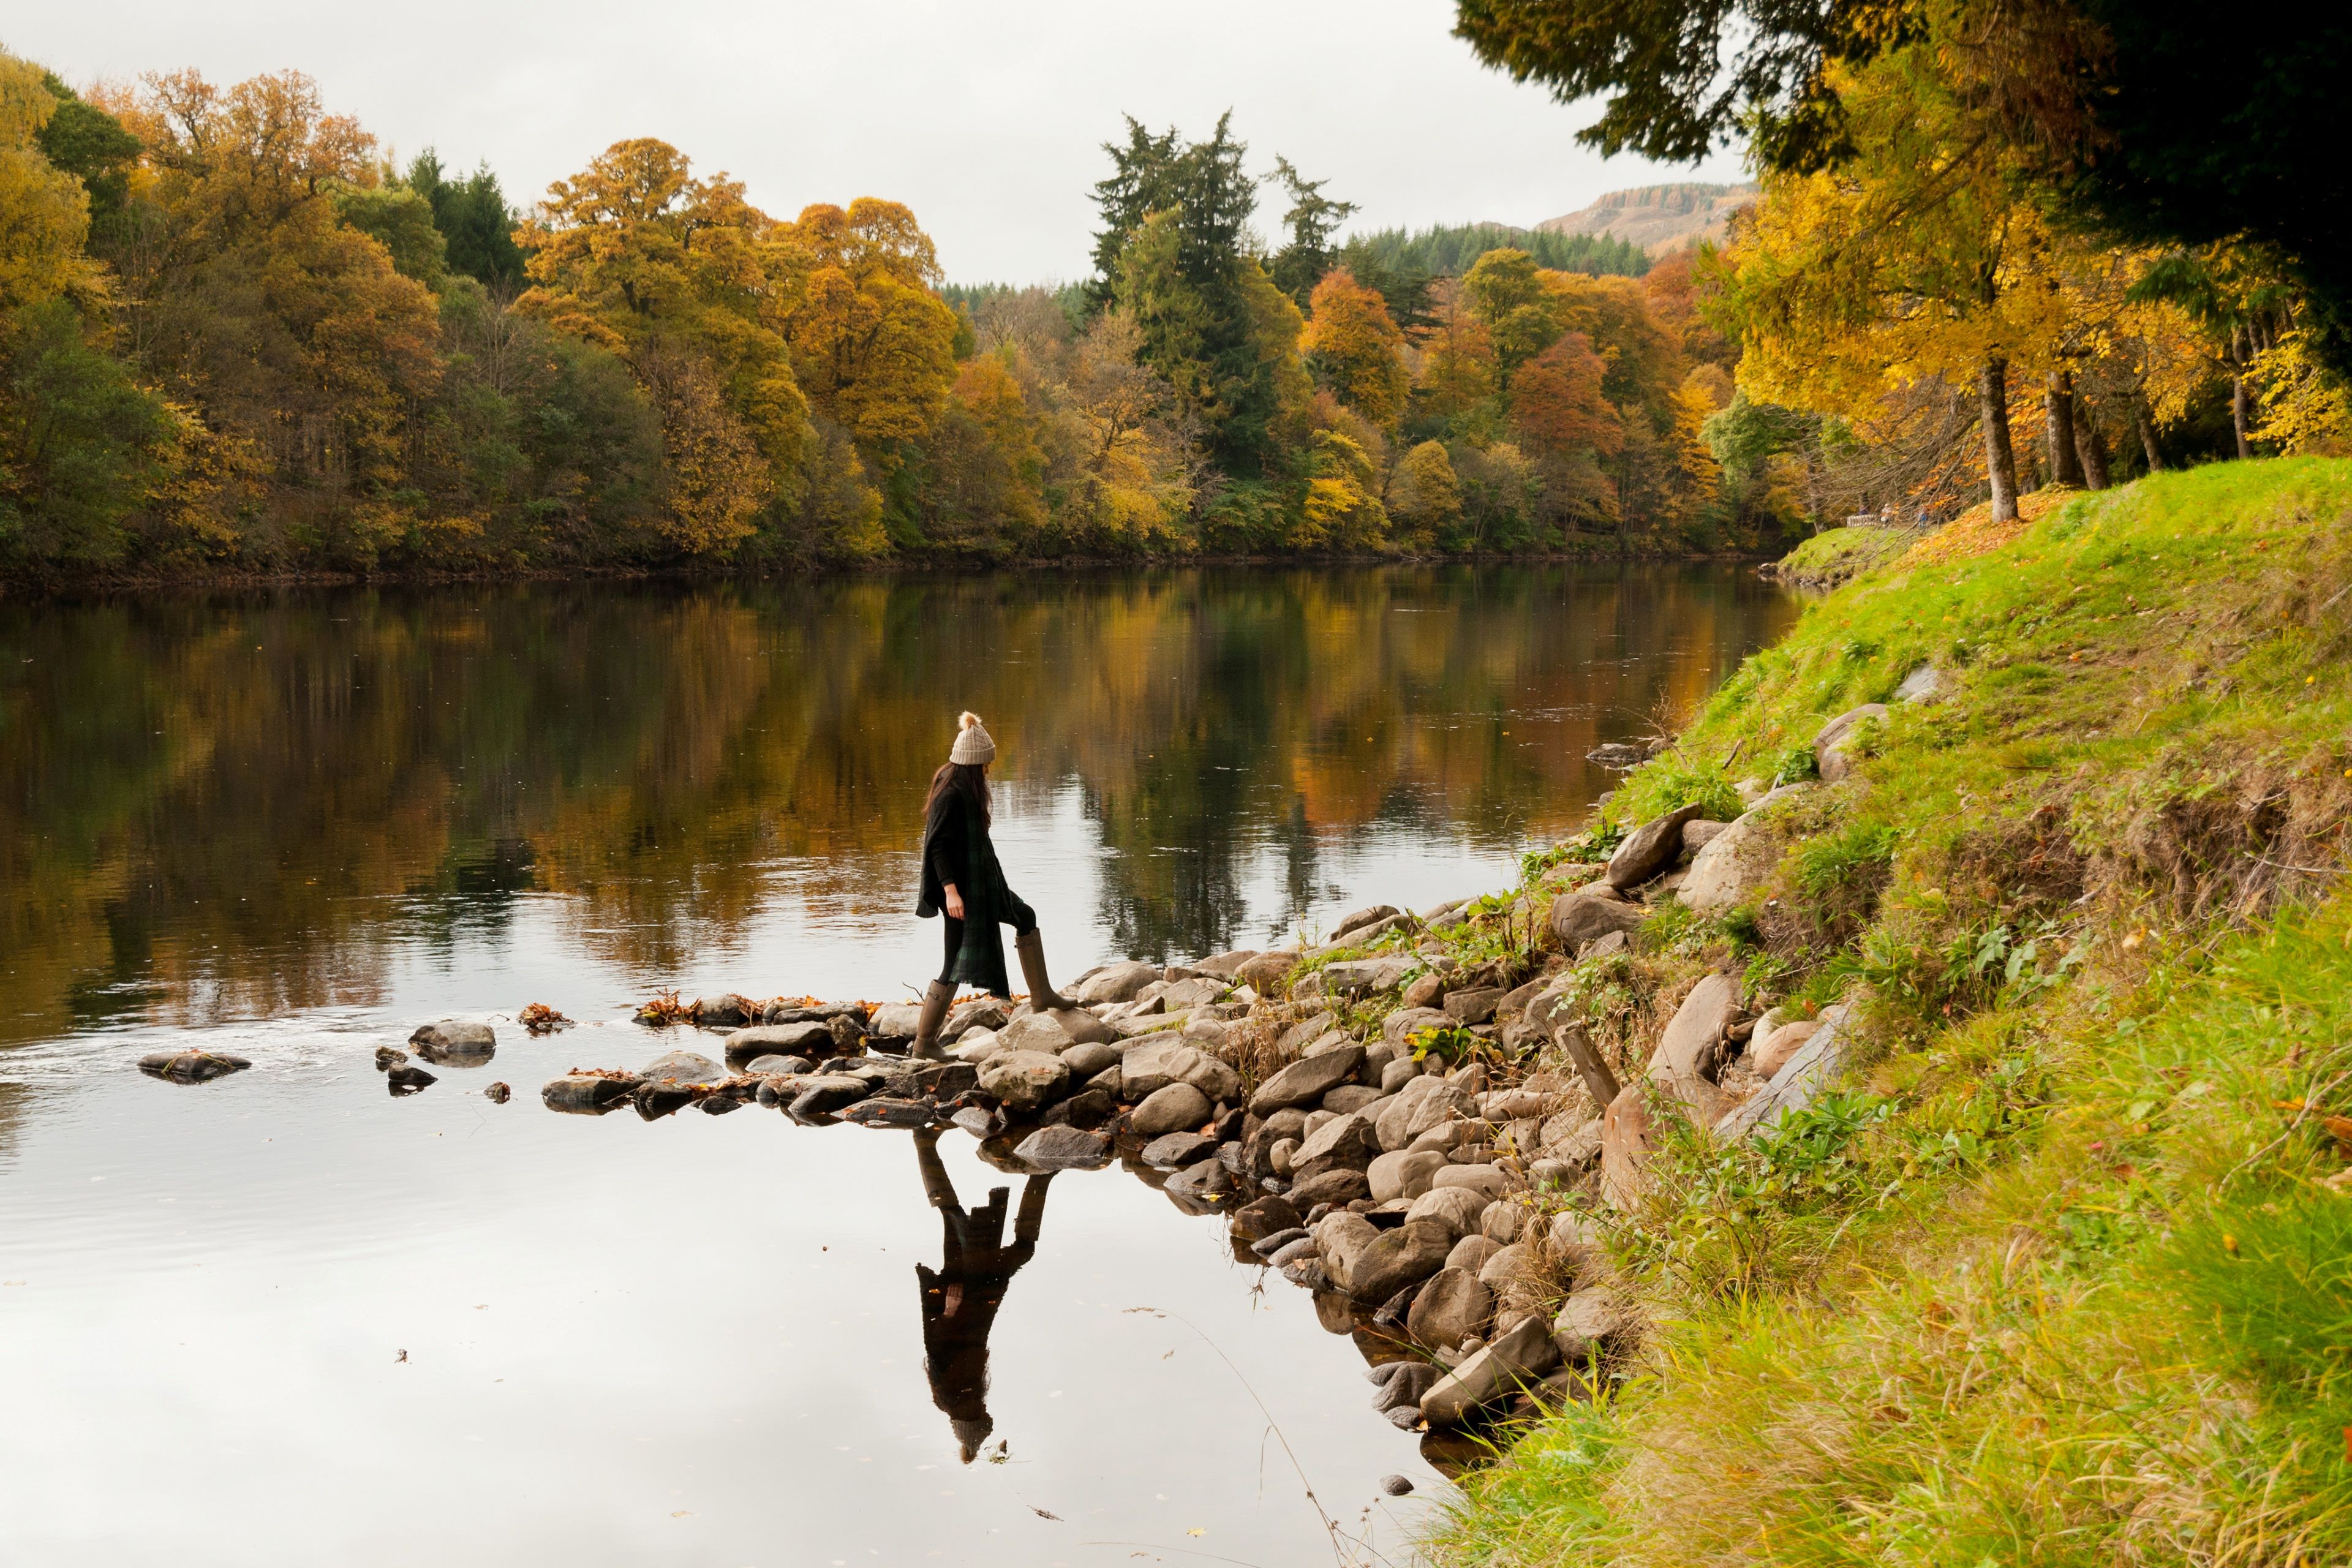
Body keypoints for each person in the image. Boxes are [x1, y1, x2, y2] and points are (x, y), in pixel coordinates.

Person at [912, 711, 1074, 1060]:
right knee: (952, 964)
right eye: (984, 765)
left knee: (1025, 915)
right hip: (959, 892)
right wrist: (951, 892)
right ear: (972, 764)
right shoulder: (950, 792)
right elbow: (936, 846)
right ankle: (924, 1044)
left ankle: (1042, 995)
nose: (988, 771)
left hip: (984, 884)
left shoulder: (965, 785)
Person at [910, 1126, 1050, 1463]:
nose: (983, 1408)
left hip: (964, 1294)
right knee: (966, 1223)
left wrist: (948, 1308)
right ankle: (1040, 1174)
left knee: (954, 1216)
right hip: (981, 1295)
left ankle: (924, 1142)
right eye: (985, 1413)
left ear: (968, 1417)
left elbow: (938, 1343)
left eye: (981, 1414)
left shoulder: (950, 1393)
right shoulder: (966, 1395)